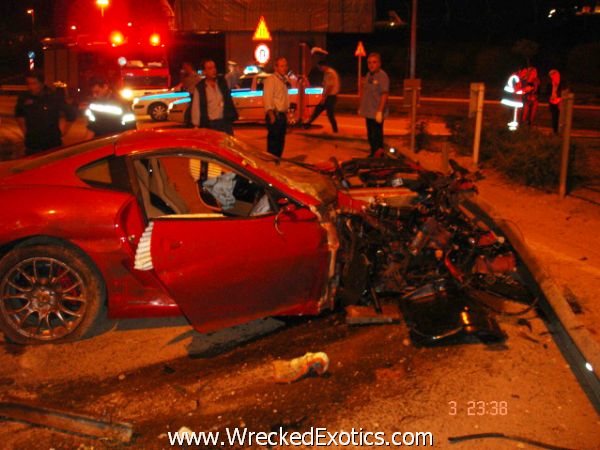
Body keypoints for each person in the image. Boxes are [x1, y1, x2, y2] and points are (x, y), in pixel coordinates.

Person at [15, 70, 76, 155]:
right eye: (28, 83)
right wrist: (25, 131)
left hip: (51, 145)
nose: (30, 87)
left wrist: (63, 131)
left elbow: (71, 113)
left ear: (42, 83)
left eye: (34, 83)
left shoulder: (53, 97)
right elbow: (19, 114)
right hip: (32, 145)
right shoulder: (24, 97)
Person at [191, 59, 238, 135]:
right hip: (211, 125)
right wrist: (196, 125)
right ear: (204, 71)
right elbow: (196, 108)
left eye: (214, 68)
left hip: (224, 123)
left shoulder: (222, 83)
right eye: (210, 68)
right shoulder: (200, 88)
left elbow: (228, 100)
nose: (213, 70)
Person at [358, 53, 390, 157]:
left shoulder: (382, 76)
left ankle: (379, 156)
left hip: (376, 112)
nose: (371, 65)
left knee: (377, 136)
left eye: (374, 62)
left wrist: (380, 111)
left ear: (379, 63)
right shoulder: (368, 75)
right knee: (370, 136)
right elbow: (365, 93)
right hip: (369, 112)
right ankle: (373, 153)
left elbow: (384, 94)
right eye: (369, 62)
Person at [263, 57, 291, 157]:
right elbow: (268, 98)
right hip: (275, 116)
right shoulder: (271, 80)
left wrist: (287, 115)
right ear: (276, 67)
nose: (285, 68)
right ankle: (271, 165)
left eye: (286, 66)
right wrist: (272, 116)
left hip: (282, 116)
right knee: (273, 146)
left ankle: (277, 163)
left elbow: (284, 99)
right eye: (282, 66)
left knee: (280, 143)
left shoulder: (283, 80)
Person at [303, 60, 340, 133]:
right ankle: (307, 124)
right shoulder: (327, 73)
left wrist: (324, 97)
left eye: (320, 67)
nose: (320, 69)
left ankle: (335, 130)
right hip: (329, 96)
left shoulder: (330, 73)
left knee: (329, 114)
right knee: (318, 110)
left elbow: (330, 86)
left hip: (330, 97)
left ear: (324, 66)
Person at [547, 69, 564, 134]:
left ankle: (560, 131)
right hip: (552, 102)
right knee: (554, 117)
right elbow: (547, 93)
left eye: (554, 76)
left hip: (560, 102)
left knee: (561, 117)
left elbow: (564, 92)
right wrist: (550, 97)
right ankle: (555, 131)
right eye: (551, 77)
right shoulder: (550, 84)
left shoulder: (562, 84)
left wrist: (559, 98)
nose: (552, 78)